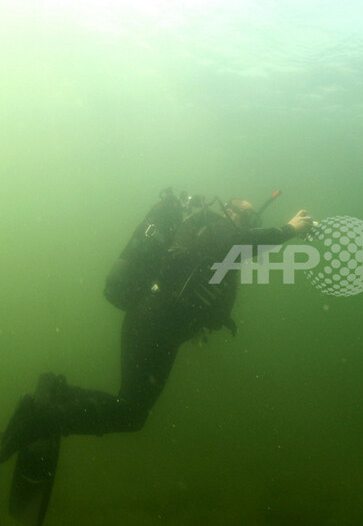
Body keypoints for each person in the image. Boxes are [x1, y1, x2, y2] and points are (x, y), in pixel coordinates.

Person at [0, 196, 313, 463]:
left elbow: (207, 289)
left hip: (156, 323)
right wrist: (288, 229)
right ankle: (37, 421)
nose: (249, 220)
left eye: (252, 217)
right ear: (228, 211)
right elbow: (240, 244)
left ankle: (60, 394)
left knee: (131, 408)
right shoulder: (218, 226)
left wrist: (209, 321)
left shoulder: (211, 236)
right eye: (245, 214)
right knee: (132, 413)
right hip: (154, 322)